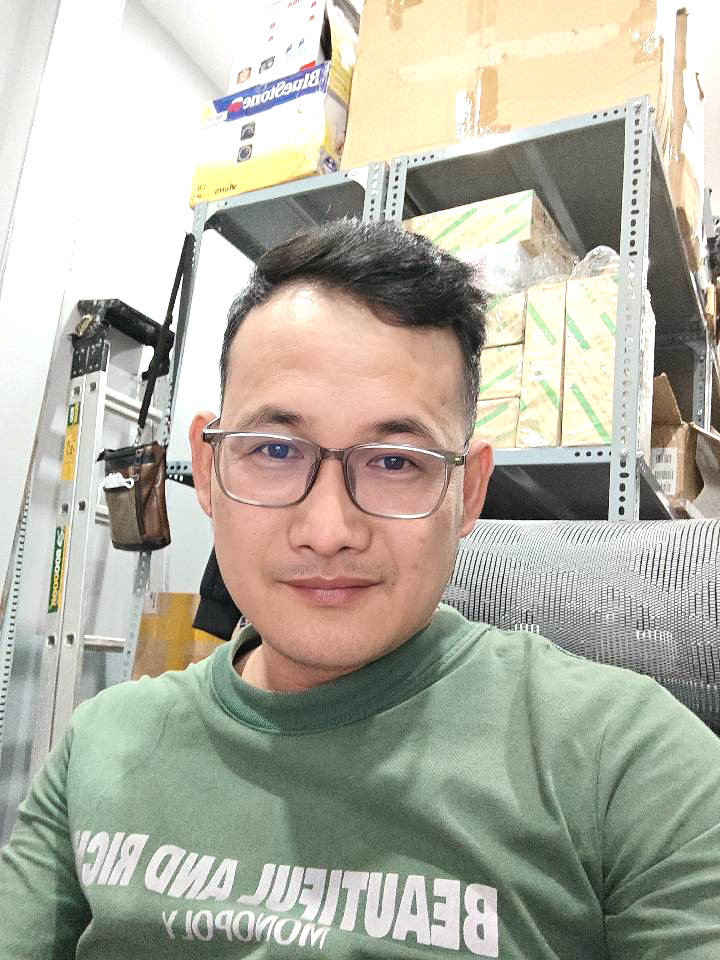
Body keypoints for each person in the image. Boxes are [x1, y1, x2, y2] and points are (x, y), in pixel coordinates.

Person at [0, 219, 719, 958]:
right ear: (209, 471)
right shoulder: (96, 748)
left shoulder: (629, 765)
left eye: (396, 462)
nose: (327, 530)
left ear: (469, 494)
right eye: (274, 450)